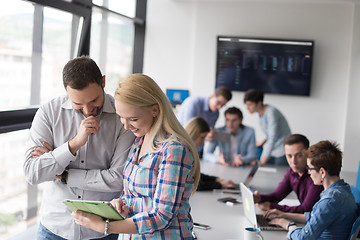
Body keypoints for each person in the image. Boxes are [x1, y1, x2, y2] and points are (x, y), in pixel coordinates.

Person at [71, 74, 200, 239]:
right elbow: (133, 194)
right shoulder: (139, 142)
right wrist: (122, 204)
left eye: (133, 119)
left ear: (155, 109)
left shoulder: (174, 149)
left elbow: (162, 216)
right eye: (121, 118)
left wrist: (104, 226)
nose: (125, 126)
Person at [24, 56, 135, 240]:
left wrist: (64, 174)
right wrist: (73, 144)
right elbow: (32, 173)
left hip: (103, 231)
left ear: (104, 82)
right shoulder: (49, 112)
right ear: (67, 91)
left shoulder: (121, 115)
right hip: (54, 228)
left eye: (93, 101)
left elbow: (119, 178)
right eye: (78, 104)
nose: (87, 110)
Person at [264, 140, 358, 240]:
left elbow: (303, 237)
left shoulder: (329, 201)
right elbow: (315, 217)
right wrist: (285, 214)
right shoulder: (344, 189)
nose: (308, 172)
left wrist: (288, 225)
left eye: (310, 168)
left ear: (322, 172)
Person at [253, 134, 323, 213]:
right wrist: (259, 198)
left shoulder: (316, 176)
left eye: (299, 155)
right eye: (289, 156)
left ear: (307, 153)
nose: (293, 161)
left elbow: (306, 209)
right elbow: (277, 196)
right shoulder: (292, 172)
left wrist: (271, 206)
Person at [184, 116, 237, 191]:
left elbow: (195, 174)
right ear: (193, 134)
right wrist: (220, 185)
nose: (203, 141)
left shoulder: (189, 150)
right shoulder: (184, 152)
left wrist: (217, 179)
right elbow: (193, 184)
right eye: (202, 137)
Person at [244, 89, 291, 166]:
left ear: (259, 103)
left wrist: (262, 161)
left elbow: (273, 137)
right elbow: (270, 132)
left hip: (282, 151)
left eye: (250, 105)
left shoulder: (271, 113)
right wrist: (263, 142)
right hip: (273, 150)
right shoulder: (261, 113)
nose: (247, 108)